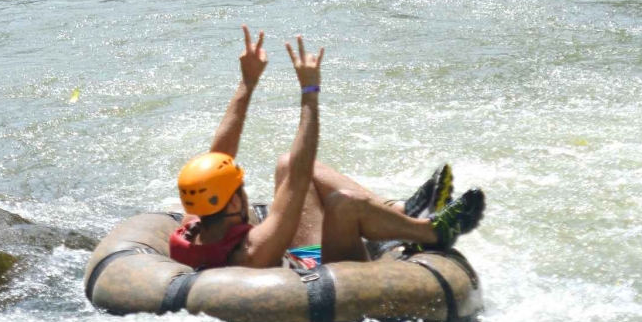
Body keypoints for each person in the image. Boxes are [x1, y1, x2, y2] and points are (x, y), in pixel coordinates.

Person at [169, 26, 484, 270]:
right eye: (240, 187)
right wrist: (309, 92)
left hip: (302, 258)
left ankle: (399, 211)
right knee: (342, 205)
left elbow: (218, 158)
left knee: (286, 162)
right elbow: (300, 175)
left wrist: (247, 83)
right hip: (333, 279)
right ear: (235, 202)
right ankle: (431, 232)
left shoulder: (191, 232)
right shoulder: (255, 248)